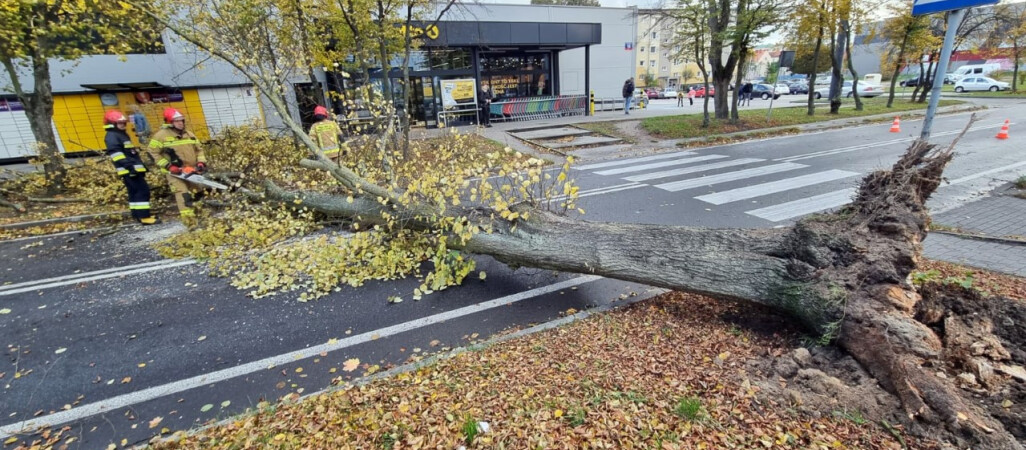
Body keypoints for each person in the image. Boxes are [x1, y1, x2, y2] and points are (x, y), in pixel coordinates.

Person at [147, 108, 208, 226]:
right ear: (170, 122)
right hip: (175, 173)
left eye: (182, 120)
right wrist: (168, 166)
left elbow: (199, 150)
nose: (181, 123)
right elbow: (152, 152)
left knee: (197, 193)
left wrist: (201, 163)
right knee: (183, 195)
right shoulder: (161, 136)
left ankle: (202, 218)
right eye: (177, 121)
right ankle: (191, 224)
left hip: (191, 171)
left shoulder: (189, 134)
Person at [104, 110, 158, 225]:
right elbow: (116, 154)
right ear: (112, 124)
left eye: (124, 123)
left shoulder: (119, 134)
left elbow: (130, 153)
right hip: (129, 169)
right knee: (142, 191)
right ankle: (144, 217)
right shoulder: (113, 136)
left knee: (134, 192)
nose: (123, 125)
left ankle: (137, 215)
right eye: (120, 123)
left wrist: (141, 166)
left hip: (130, 169)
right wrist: (130, 167)